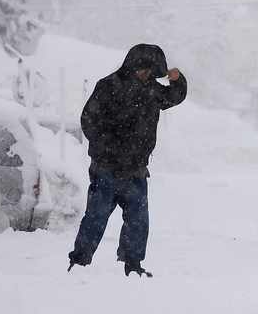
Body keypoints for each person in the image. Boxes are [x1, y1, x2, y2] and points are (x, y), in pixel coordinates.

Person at [67, 44, 187, 277]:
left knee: (138, 220)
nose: (146, 75)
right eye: (143, 69)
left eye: (151, 72)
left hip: (136, 170)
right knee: (96, 216)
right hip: (106, 168)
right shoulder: (107, 86)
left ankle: (133, 265)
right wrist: (107, 148)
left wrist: (178, 80)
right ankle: (79, 262)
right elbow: (88, 120)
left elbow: (173, 97)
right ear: (132, 65)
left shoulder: (152, 90)